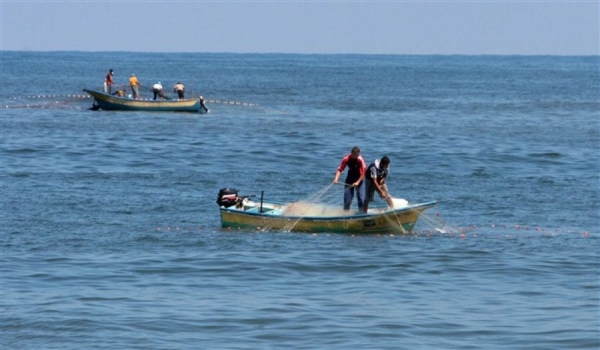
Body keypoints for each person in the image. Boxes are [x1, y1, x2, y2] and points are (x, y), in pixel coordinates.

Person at [333, 146, 367, 211]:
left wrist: (357, 182)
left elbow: (363, 173)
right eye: (356, 155)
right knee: (347, 201)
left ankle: (362, 213)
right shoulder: (346, 159)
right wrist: (336, 179)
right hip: (350, 179)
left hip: (359, 179)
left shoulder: (360, 159)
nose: (358, 156)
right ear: (352, 153)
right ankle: (345, 215)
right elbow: (340, 169)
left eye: (358, 155)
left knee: (361, 199)